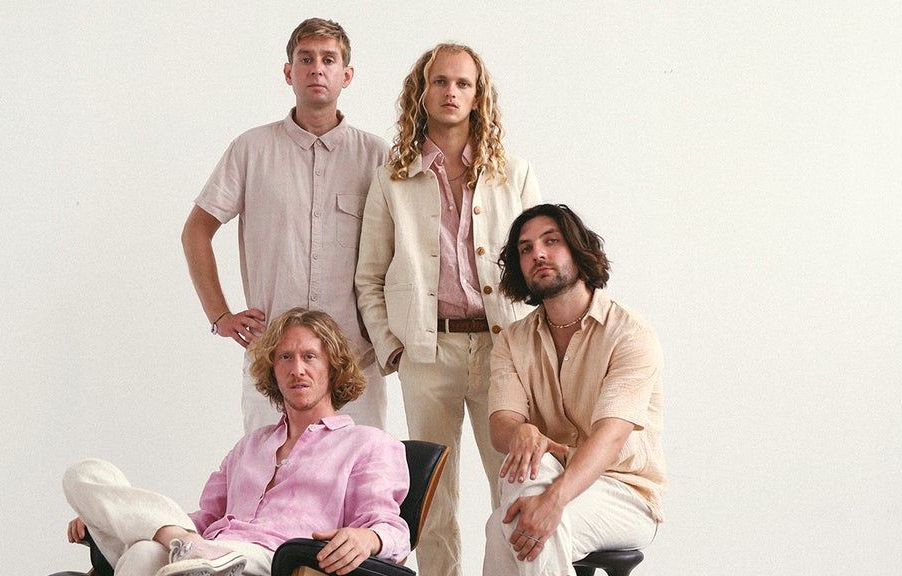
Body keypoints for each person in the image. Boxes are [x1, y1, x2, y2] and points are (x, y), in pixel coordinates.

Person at [354, 43, 541, 576]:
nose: (451, 92)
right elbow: (369, 276)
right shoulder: (393, 179)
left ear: (478, 96)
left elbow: (540, 265)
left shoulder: (514, 175)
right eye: (440, 81)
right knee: (432, 498)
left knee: (515, 485)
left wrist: (533, 351)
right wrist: (394, 349)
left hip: (503, 352)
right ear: (422, 92)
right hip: (427, 352)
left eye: (462, 83)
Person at [63, 308, 411, 576]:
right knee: (89, 480)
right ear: (272, 370)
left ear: (332, 367)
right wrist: (111, 515)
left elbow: (392, 528)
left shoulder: (368, 444)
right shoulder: (249, 447)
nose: (297, 370)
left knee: (172, 555)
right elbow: (204, 517)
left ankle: (198, 553)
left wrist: (369, 538)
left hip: (275, 557)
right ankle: (195, 551)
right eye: (285, 358)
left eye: (309, 357)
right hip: (208, 551)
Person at [182, 18, 388, 433]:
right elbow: (196, 231)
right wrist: (220, 315)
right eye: (306, 59)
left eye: (328, 60)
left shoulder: (376, 156)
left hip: (355, 362)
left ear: (346, 75)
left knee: (361, 470)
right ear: (288, 72)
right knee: (271, 469)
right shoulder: (251, 150)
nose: (317, 69)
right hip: (274, 361)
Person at [482, 204, 665, 576]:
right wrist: (521, 432)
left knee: (512, 526)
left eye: (551, 241)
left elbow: (611, 436)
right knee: (523, 475)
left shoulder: (629, 333)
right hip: (545, 474)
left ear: (579, 250)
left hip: (624, 491)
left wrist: (554, 500)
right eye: (526, 249)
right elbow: (501, 425)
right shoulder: (513, 341)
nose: (538, 254)